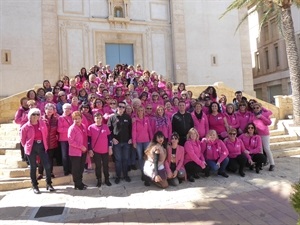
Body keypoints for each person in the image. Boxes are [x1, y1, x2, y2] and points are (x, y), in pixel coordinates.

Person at [20, 108, 55, 194]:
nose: (36, 116)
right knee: (33, 167)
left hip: (41, 145)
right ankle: (35, 186)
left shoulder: (42, 124)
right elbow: (22, 140)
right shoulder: (25, 127)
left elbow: (45, 134)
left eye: (38, 114)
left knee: (47, 165)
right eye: (34, 114)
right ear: (30, 116)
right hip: (31, 146)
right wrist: (28, 146)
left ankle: (49, 184)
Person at [108, 101, 132, 184]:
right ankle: (118, 176)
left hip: (126, 142)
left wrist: (131, 138)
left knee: (125, 159)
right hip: (116, 143)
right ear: (117, 107)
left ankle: (125, 175)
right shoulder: (112, 117)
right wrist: (112, 139)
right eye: (120, 106)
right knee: (118, 160)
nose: (121, 108)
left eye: (123, 107)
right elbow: (108, 130)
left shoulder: (128, 117)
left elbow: (131, 129)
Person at [88, 113, 112, 187]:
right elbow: (88, 140)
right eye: (97, 118)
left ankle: (107, 179)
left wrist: (110, 147)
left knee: (106, 165)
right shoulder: (90, 127)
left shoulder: (105, 127)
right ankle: (99, 180)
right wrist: (90, 149)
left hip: (105, 150)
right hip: (96, 150)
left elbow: (109, 138)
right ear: (94, 119)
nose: (98, 120)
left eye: (100, 118)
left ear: (102, 119)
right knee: (98, 166)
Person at [251, 102, 275, 171]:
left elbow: (269, 122)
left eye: (257, 107)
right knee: (260, 149)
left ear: (260, 108)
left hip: (265, 134)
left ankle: (272, 164)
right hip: (257, 135)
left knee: (267, 148)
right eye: (254, 108)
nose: (256, 109)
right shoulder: (253, 116)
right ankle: (261, 163)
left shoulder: (264, 114)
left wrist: (261, 117)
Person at [68, 111, 88, 190]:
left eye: (78, 118)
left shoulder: (83, 126)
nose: (77, 120)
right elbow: (71, 141)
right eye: (75, 119)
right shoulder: (72, 128)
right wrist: (81, 147)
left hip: (83, 151)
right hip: (75, 152)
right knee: (76, 169)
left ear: (81, 119)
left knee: (81, 168)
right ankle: (77, 184)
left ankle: (80, 182)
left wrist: (85, 147)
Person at [37, 103, 58, 180]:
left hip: (52, 142)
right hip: (42, 142)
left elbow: (57, 131)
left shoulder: (56, 119)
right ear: (45, 110)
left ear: (53, 111)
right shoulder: (40, 119)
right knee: (41, 158)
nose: (49, 111)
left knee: (50, 158)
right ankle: (40, 173)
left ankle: (50, 172)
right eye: (47, 109)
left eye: (51, 109)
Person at [132, 106, 153, 181]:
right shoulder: (135, 120)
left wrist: (152, 139)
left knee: (147, 156)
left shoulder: (147, 119)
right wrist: (134, 142)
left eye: (142, 110)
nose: (141, 112)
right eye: (139, 110)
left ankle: (148, 171)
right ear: (137, 112)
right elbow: (134, 131)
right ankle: (143, 172)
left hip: (146, 140)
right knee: (140, 157)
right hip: (138, 141)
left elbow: (149, 129)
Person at [57, 103, 73, 176]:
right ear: (63, 110)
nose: (67, 110)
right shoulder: (60, 118)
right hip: (63, 139)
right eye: (65, 109)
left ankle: (71, 169)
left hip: (72, 139)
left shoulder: (73, 117)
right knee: (64, 156)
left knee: (71, 154)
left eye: (68, 109)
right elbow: (59, 129)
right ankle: (66, 170)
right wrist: (70, 129)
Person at [14, 97, 29, 163]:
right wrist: (24, 118)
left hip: (31, 128)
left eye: (27, 102)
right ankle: (23, 157)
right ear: (22, 104)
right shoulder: (20, 111)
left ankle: (28, 157)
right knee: (23, 142)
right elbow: (17, 120)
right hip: (23, 128)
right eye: (24, 103)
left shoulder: (31, 109)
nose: (26, 104)